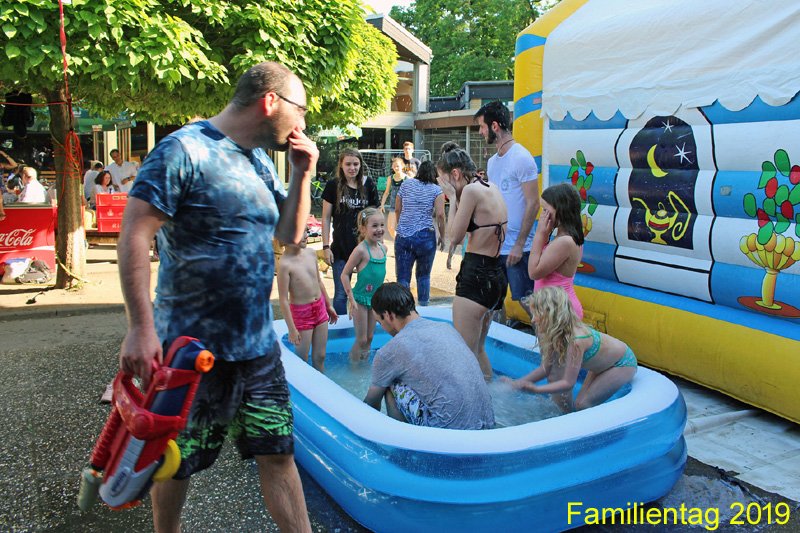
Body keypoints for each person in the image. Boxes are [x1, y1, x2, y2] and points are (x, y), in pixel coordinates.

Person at [117, 61, 317, 532]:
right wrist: (140, 328)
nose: (303, 122)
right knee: (174, 460)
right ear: (270, 102)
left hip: (257, 348)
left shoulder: (260, 161)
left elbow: (290, 236)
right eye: (300, 109)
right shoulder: (183, 149)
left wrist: (302, 174)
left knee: (278, 453)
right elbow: (135, 233)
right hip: (190, 350)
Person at [363, 283, 495, 429]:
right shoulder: (446, 329)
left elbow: (371, 405)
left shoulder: (391, 351)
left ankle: (401, 439)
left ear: (388, 316)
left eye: (379, 322)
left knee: (390, 382)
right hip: (487, 425)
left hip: (447, 433)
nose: (382, 327)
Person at [436, 142, 508, 381]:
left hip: (476, 277)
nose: (442, 186)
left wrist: (451, 198)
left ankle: (471, 404)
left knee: (463, 356)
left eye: (443, 180)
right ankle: (491, 395)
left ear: (455, 174)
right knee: (477, 350)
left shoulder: (470, 192)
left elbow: (454, 237)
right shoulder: (490, 186)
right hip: (496, 277)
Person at [502, 286, 637, 412]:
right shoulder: (555, 333)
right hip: (603, 365)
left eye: (536, 314)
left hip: (622, 364)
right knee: (577, 406)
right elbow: (546, 368)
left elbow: (568, 383)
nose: (533, 320)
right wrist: (517, 383)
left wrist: (536, 389)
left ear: (551, 314)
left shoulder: (576, 340)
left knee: (583, 405)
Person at [475, 101, 540, 318]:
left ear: (494, 126)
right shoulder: (492, 162)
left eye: (482, 126)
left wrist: (520, 244)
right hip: (497, 246)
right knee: (494, 302)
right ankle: (496, 339)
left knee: (530, 304)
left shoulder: (521, 157)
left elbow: (533, 203)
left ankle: (548, 340)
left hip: (519, 248)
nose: (480, 132)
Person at [321, 148, 380, 314]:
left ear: (361, 165)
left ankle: (365, 323)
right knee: (341, 294)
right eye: (348, 164)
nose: (352, 168)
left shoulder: (368, 184)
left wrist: (378, 245)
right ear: (341, 165)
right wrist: (326, 247)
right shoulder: (333, 185)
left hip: (365, 248)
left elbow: (375, 217)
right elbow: (325, 218)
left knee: (367, 292)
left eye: (355, 164)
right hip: (340, 247)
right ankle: (341, 327)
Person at [277, 228, 338, 372]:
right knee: (302, 359)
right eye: (300, 232)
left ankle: (321, 383)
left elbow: (318, 281)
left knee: (320, 356)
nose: (306, 235)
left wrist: (328, 305)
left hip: (320, 307)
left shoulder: (311, 253)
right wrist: (292, 329)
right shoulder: (285, 265)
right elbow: (283, 300)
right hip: (302, 314)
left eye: (306, 230)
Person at [528, 183, 584, 319]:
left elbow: (533, 272)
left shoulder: (565, 242)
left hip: (559, 310)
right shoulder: (568, 238)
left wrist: (540, 234)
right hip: (555, 306)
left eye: (545, 210)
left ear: (561, 209)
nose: (543, 215)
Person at [394, 160, 445, 306]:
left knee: (403, 277)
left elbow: (397, 208)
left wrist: (401, 225)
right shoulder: (437, 190)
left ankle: (403, 308)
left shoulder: (406, 184)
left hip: (404, 237)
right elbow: (440, 215)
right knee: (424, 276)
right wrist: (442, 236)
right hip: (426, 237)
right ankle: (424, 307)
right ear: (434, 174)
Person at [340, 207, 386, 362]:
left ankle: (364, 366)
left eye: (382, 225)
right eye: (374, 226)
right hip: (359, 300)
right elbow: (344, 274)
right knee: (361, 339)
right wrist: (351, 298)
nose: (379, 229)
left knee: (370, 337)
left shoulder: (383, 249)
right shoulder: (360, 251)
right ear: (363, 228)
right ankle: (354, 368)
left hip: (374, 300)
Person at [379, 157, 407, 239]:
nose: (396, 168)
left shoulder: (407, 178)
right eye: (394, 166)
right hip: (393, 206)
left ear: (402, 166)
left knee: (403, 229)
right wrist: (382, 204)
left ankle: (404, 244)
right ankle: (397, 242)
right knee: (390, 228)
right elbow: (386, 192)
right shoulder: (390, 178)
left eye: (397, 166)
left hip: (404, 207)